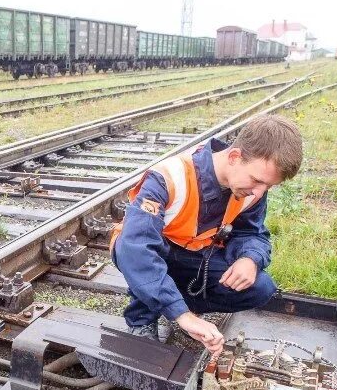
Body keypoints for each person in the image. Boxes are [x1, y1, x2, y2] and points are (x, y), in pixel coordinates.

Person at [109, 115, 303, 354]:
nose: (260, 191)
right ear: (234, 157)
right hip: (149, 252)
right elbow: (136, 247)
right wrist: (182, 314)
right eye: (257, 181)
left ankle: (172, 304)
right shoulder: (169, 177)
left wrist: (250, 259)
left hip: (196, 254)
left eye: (269, 186)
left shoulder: (251, 188)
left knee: (260, 287)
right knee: (143, 254)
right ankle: (144, 317)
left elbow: (253, 233)